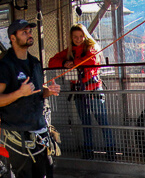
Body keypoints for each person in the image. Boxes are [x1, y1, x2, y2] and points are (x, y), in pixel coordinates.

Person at [0, 19, 72, 178]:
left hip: (37, 130)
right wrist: (19, 93)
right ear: (13, 38)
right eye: (23, 31)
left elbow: (35, 92)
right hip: (17, 133)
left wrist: (47, 91)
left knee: (40, 176)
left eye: (29, 31)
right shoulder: (4, 66)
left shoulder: (35, 63)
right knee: (23, 177)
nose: (28, 34)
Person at [48, 24, 115, 159]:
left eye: (80, 36)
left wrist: (71, 62)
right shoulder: (70, 51)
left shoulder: (92, 48)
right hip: (79, 92)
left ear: (85, 36)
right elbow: (51, 62)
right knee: (85, 123)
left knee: (103, 121)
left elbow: (91, 60)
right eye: (75, 37)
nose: (78, 39)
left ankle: (111, 151)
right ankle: (88, 151)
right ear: (71, 38)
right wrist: (64, 63)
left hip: (94, 91)